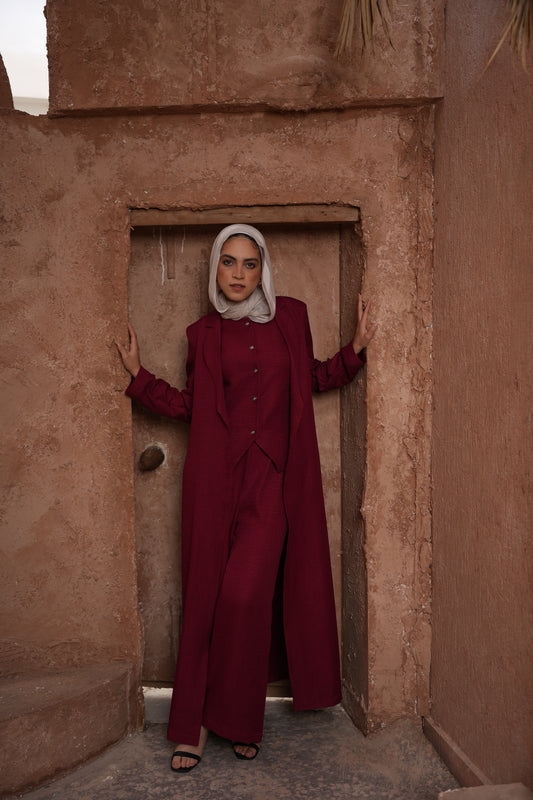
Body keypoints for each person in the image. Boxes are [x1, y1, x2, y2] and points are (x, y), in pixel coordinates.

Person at [116, 223, 377, 772]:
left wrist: (353, 351)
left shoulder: (292, 318)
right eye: (228, 263)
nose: (238, 274)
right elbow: (193, 406)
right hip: (216, 485)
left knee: (243, 598)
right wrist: (139, 377)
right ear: (215, 269)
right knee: (208, 599)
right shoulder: (202, 335)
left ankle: (234, 715)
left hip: (274, 486)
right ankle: (195, 725)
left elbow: (311, 378)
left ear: (264, 269)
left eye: (249, 264)